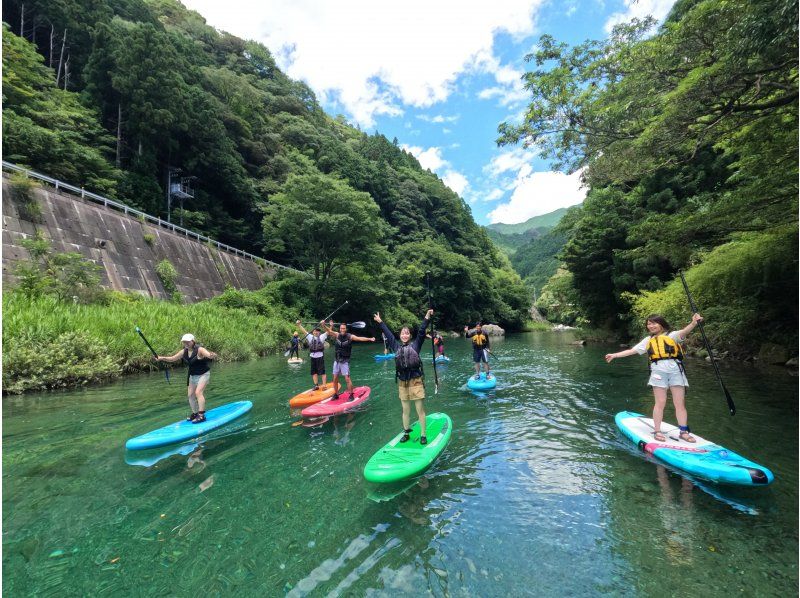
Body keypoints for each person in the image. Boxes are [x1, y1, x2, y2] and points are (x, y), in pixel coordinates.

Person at [605, 313, 704, 442]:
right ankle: (657, 431)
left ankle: (684, 432)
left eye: (653, 323)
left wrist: (694, 323)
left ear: (661, 324)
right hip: (658, 372)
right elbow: (632, 351)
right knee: (660, 402)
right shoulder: (648, 340)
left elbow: (685, 331)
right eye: (649, 324)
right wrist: (615, 355)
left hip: (676, 371)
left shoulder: (672, 335)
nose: (651, 326)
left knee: (679, 404)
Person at [374, 309, 432, 444]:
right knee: (405, 410)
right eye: (402, 333)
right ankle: (406, 432)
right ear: (400, 336)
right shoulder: (396, 347)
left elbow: (422, 331)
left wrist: (427, 317)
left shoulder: (416, 346)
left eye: (407, 333)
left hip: (416, 381)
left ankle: (423, 435)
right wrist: (381, 322)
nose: (405, 335)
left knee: (420, 410)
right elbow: (388, 335)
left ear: (410, 336)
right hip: (402, 383)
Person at [156, 333, 217, 423]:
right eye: (184, 342)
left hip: (203, 374)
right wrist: (161, 358)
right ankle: (195, 413)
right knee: (190, 395)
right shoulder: (184, 351)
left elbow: (208, 354)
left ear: (193, 341)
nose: (186, 344)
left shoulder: (200, 350)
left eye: (188, 342)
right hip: (192, 375)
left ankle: (201, 415)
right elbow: (172, 358)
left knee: (198, 392)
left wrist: (211, 355)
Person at [323, 321, 375, 400]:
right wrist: (323, 325)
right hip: (336, 360)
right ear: (340, 329)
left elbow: (359, 338)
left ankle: (351, 395)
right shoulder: (337, 335)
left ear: (346, 329)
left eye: (343, 328)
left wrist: (369, 339)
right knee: (335, 379)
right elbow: (329, 331)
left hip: (345, 361)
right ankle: (336, 394)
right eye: (341, 328)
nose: (342, 330)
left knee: (347, 379)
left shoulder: (350, 336)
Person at [296, 320, 328, 390]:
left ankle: (324, 385)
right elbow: (304, 331)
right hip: (313, 357)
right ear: (313, 332)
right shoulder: (310, 337)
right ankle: (316, 385)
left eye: (317, 331)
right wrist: (299, 325)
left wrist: (324, 325)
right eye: (314, 331)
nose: (316, 332)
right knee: (314, 372)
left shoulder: (322, 336)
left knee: (322, 372)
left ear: (319, 332)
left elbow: (328, 331)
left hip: (320, 357)